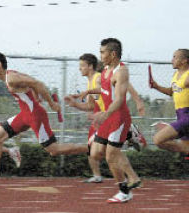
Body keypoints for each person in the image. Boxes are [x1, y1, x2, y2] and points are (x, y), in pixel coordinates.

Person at [0, 52, 89, 184]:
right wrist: (36, 95)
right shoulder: (9, 76)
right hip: (25, 114)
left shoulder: (11, 78)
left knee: (53, 150)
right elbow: (31, 83)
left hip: (35, 115)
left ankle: (90, 148)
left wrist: (51, 103)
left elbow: (37, 83)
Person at [65, 53, 147, 184]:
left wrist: (138, 100)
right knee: (96, 153)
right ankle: (129, 177)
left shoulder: (99, 77)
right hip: (104, 118)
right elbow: (91, 106)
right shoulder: (90, 83)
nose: (79, 68)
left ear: (90, 66)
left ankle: (130, 135)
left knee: (103, 151)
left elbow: (125, 85)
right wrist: (75, 104)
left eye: (82, 65)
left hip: (113, 117)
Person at [92, 38, 139, 203]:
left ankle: (125, 189)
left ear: (113, 54)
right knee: (96, 152)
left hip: (118, 117)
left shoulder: (121, 72)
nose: (100, 55)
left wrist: (105, 114)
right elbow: (105, 90)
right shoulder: (105, 69)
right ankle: (129, 135)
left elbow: (119, 99)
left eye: (103, 52)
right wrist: (86, 93)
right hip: (108, 116)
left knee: (110, 155)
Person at [150, 49, 189, 158]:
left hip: (187, 117)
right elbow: (171, 92)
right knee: (186, 152)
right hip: (180, 116)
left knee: (158, 140)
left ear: (184, 61)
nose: (172, 60)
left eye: (175, 57)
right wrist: (156, 86)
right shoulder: (175, 75)